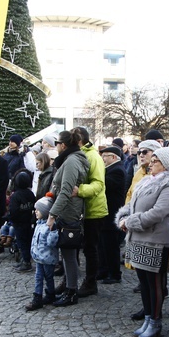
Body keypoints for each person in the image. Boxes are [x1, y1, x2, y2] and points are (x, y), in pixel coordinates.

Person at [117, 147, 169, 337]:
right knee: (144, 282)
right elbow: (133, 204)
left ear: (166, 164)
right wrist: (123, 216)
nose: (151, 164)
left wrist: (130, 222)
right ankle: (147, 317)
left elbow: (158, 212)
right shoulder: (146, 181)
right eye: (151, 161)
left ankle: (155, 321)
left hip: (156, 241)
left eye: (155, 161)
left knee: (154, 283)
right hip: (138, 238)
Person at [46, 130, 90, 306]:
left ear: (62, 145)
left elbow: (66, 190)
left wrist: (52, 214)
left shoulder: (72, 161)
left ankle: (71, 292)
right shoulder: (70, 159)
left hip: (69, 212)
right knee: (66, 254)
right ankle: (68, 289)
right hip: (66, 210)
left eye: (56, 143)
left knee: (69, 255)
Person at [73, 127, 108, 298]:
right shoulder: (79, 154)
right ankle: (73, 280)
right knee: (78, 247)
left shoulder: (93, 156)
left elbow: (98, 184)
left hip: (93, 210)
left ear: (79, 141)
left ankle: (90, 282)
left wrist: (78, 190)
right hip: (80, 210)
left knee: (90, 248)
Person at [25, 197, 59, 311]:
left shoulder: (49, 226)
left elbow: (51, 242)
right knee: (38, 277)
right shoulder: (38, 224)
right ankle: (38, 297)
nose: (35, 212)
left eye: (38, 210)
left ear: (44, 212)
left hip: (48, 258)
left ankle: (50, 294)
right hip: (39, 257)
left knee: (49, 277)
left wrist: (53, 230)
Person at [98, 145, 126, 284]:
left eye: (105, 156)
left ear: (113, 157)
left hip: (112, 213)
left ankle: (114, 273)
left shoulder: (117, 170)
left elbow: (104, 185)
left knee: (111, 245)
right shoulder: (111, 169)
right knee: (104, 244)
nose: (102, 159)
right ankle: (104, 269)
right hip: (107, 212)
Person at [7, 170, 36, 272]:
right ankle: (25, 259)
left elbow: (13, 210)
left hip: (19, 223)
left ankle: (26, 262)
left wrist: (10, 218)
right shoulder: (30, 194)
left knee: (22, 243)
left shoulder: (16, 195)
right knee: (27, 241)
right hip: (28, 221)